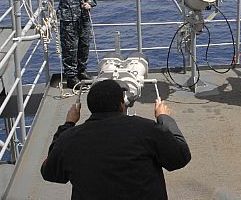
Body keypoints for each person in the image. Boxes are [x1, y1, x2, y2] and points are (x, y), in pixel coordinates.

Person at [41, 79, 191, 199]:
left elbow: (49, 172)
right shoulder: (147, 129)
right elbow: (180, 157)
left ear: (90, 107)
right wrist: (164, 118)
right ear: (121, 105)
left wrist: (68, 124)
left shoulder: (69, 139)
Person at [54, 0, 97, 89]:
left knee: (84, 45)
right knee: (70, 48)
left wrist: (90, 2)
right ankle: (71, 77)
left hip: (83, 16)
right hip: (69, 17)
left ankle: (81, 71)